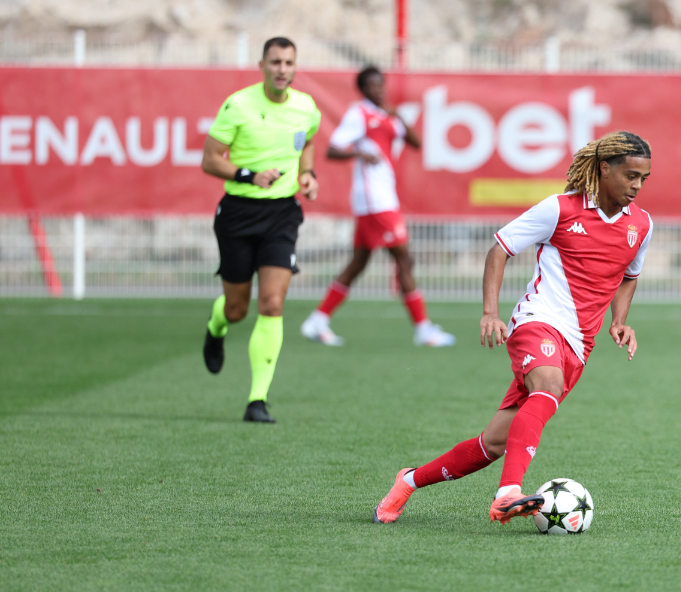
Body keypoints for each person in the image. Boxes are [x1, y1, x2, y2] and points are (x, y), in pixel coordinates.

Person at [372, 131, 654, 525]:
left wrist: (620, 321)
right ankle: (508, 493)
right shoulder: (560, 209)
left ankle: (408, 482)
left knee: (494, 444)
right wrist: (490, 312)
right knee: (548, 387)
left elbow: (629, 275)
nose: (637, 186)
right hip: (537, 321)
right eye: (630, 175)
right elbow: (501, 247)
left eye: (644, 178)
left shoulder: (641, 225)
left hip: (579, 345)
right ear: (604, 169)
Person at [200, 36, 321, 423]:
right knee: (237, 309)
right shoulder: (238, 104)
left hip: (282, 214)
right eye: (275, 62)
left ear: (295, 66)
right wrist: (249, 175)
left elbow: (309, 142)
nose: (282, 69)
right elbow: (209, 160)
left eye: (288, 62)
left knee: (271, 303)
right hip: (237, 212)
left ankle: (257, 400)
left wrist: (307, 174)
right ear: (262, 65)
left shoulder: (306, 106)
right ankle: (216, 326)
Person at [299, 66, 455, 348]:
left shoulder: (386, 115)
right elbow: (333, 149)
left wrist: (399, 118)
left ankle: (318, 320)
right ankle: (423, 329)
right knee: (404, 259)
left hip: (381, 199)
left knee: (358, 264)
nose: (378, 89)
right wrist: (360, 151)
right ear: (362, 89)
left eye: (381, 84)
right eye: (372, 86)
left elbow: (416, 143)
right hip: (375, 201)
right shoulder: (359, 114)